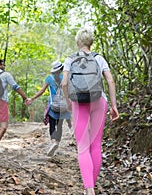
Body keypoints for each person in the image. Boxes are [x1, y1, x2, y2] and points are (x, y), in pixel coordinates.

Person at [61, 27, 119, 195]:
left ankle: (89, 189)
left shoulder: (70, 59)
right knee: (96, 145)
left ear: (78, 42)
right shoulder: (99, 58)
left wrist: (68, 102)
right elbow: (110, 80)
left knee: (83, 146)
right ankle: (91, 185)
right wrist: (114, 105)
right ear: (91, 42)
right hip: (99, 101)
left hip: (79, 102)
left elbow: (64, 83)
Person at [26, 61, 71, 156]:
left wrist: (32, 98)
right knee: (59, 126)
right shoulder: (65, 78)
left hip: (53, 105)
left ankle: (53, 142)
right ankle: (57, 144)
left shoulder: (49, 78)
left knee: (52, 125)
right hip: (63, 106)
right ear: (61, 69)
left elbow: (42, 91)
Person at [0, 59, 28, 156]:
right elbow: (15, 86)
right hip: (1, 101)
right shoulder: (6, 75)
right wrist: (25, 97)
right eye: (3, 65)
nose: (4, 66)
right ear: (0, 65)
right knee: (4, 124)